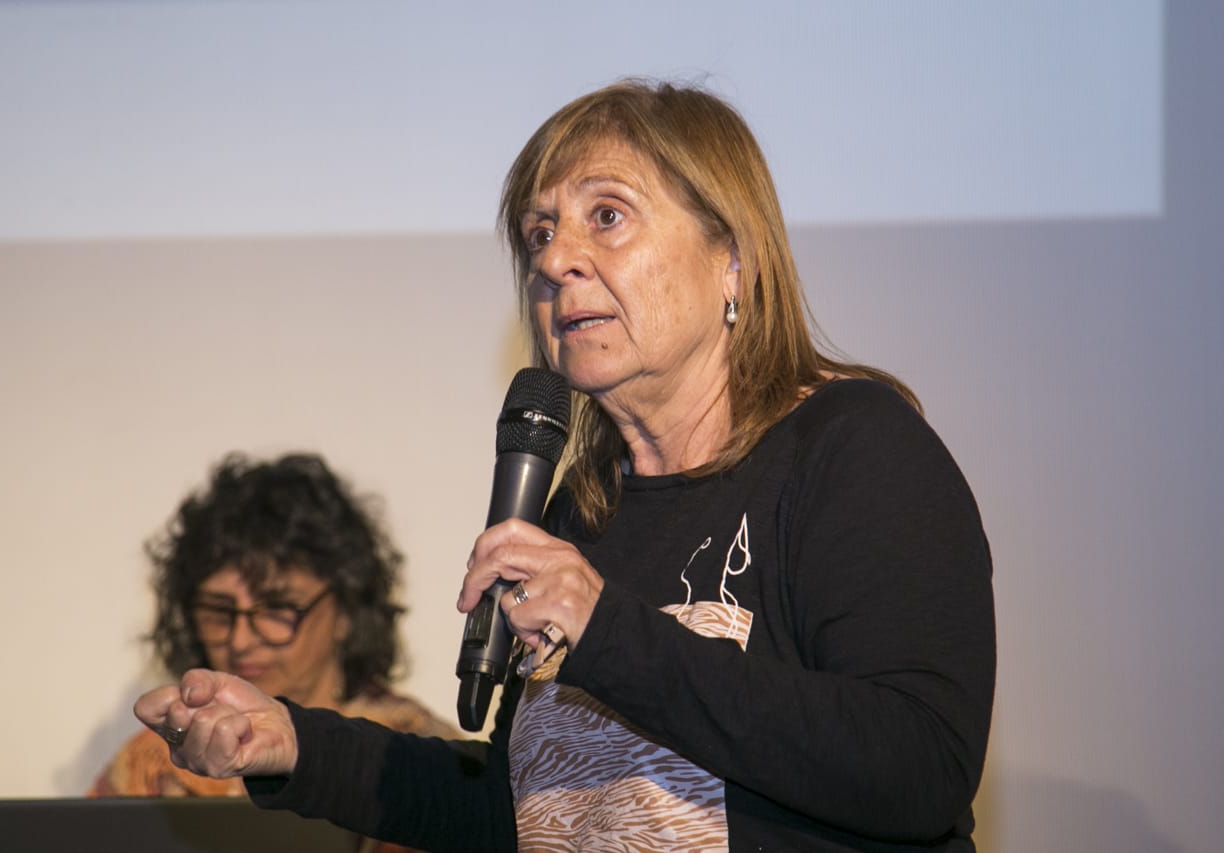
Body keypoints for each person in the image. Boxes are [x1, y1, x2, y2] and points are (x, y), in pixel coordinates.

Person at [135, 80, 996, 851]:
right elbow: (520, 813)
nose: (552, 260)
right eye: (539, 233)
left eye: (607, 216)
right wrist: (296, 743)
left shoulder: (849, 448)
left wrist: (606, 627)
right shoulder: (582, 514)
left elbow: (919, 767)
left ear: (732, 257)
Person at [92, 452, 457, 803]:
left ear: (347, 611)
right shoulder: (155, 767)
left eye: (277, 609)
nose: (240, 641)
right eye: (219, 611)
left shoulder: (416, 761)